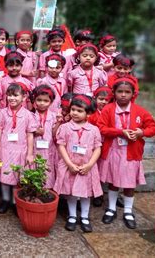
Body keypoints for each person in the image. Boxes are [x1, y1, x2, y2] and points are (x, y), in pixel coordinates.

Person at [97, 78, 155, 229]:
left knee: (129, 184)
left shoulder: (140, 111)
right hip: (113, 151)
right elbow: (101, 127)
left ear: (133, 94)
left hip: (131, 153)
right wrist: (120, 132)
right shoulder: (108, 109)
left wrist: (141, 132)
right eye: (120, 92)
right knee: (112, 182)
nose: (123, 95)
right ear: (114, 93)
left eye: (127, 92)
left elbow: (154, 128)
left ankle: (128, 211)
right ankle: (111, 209)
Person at [54, 94, 102, 233]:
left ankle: (85, 217)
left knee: (86, 193)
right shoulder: (65, 127)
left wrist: (89, 165)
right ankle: (72, 216)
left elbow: (98, 148)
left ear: (88, 113)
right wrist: (69, 164)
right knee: (71, 192)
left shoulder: (94, 130)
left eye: (79, 111)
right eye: (73, 109)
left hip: (86, 166)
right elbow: (61, 145)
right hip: (71, 166)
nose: (74, 113)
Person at [0, 83, 36, 214]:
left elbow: (30, 135)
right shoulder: (2, 113)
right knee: (5, 176)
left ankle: (15, 201)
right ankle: (5, 199)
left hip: (20, 150)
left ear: (23, 97)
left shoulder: (28, 115)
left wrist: (30, 153)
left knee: (18, 177)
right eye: (9, 95)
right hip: (5, 150)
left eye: (15, 95)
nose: (12, 98)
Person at [31, 85, 58, 189]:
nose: (42, 103)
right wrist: (35, 132)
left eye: (46, 101)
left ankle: (47, 193)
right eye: (39, 100)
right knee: (34, 171)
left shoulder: (54, 116)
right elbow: (25, 132)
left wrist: (59, 122)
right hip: (34, 149)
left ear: (51, 102)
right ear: (34, 100)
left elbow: (55, 134)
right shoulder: (30, 115)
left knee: (48, 171)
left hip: (49, 150)